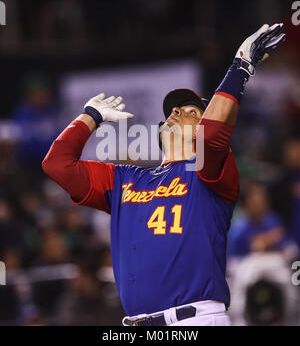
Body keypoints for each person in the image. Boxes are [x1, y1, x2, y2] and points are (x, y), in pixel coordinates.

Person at [42, 24, 285, 326]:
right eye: (174, 110)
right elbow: (57, 165)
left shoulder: (208, 170)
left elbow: (212, 138)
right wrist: (89, 116)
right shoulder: (125, 179)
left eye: (192, 111)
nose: (177, 112)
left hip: (194, 319)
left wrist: (241, 66)